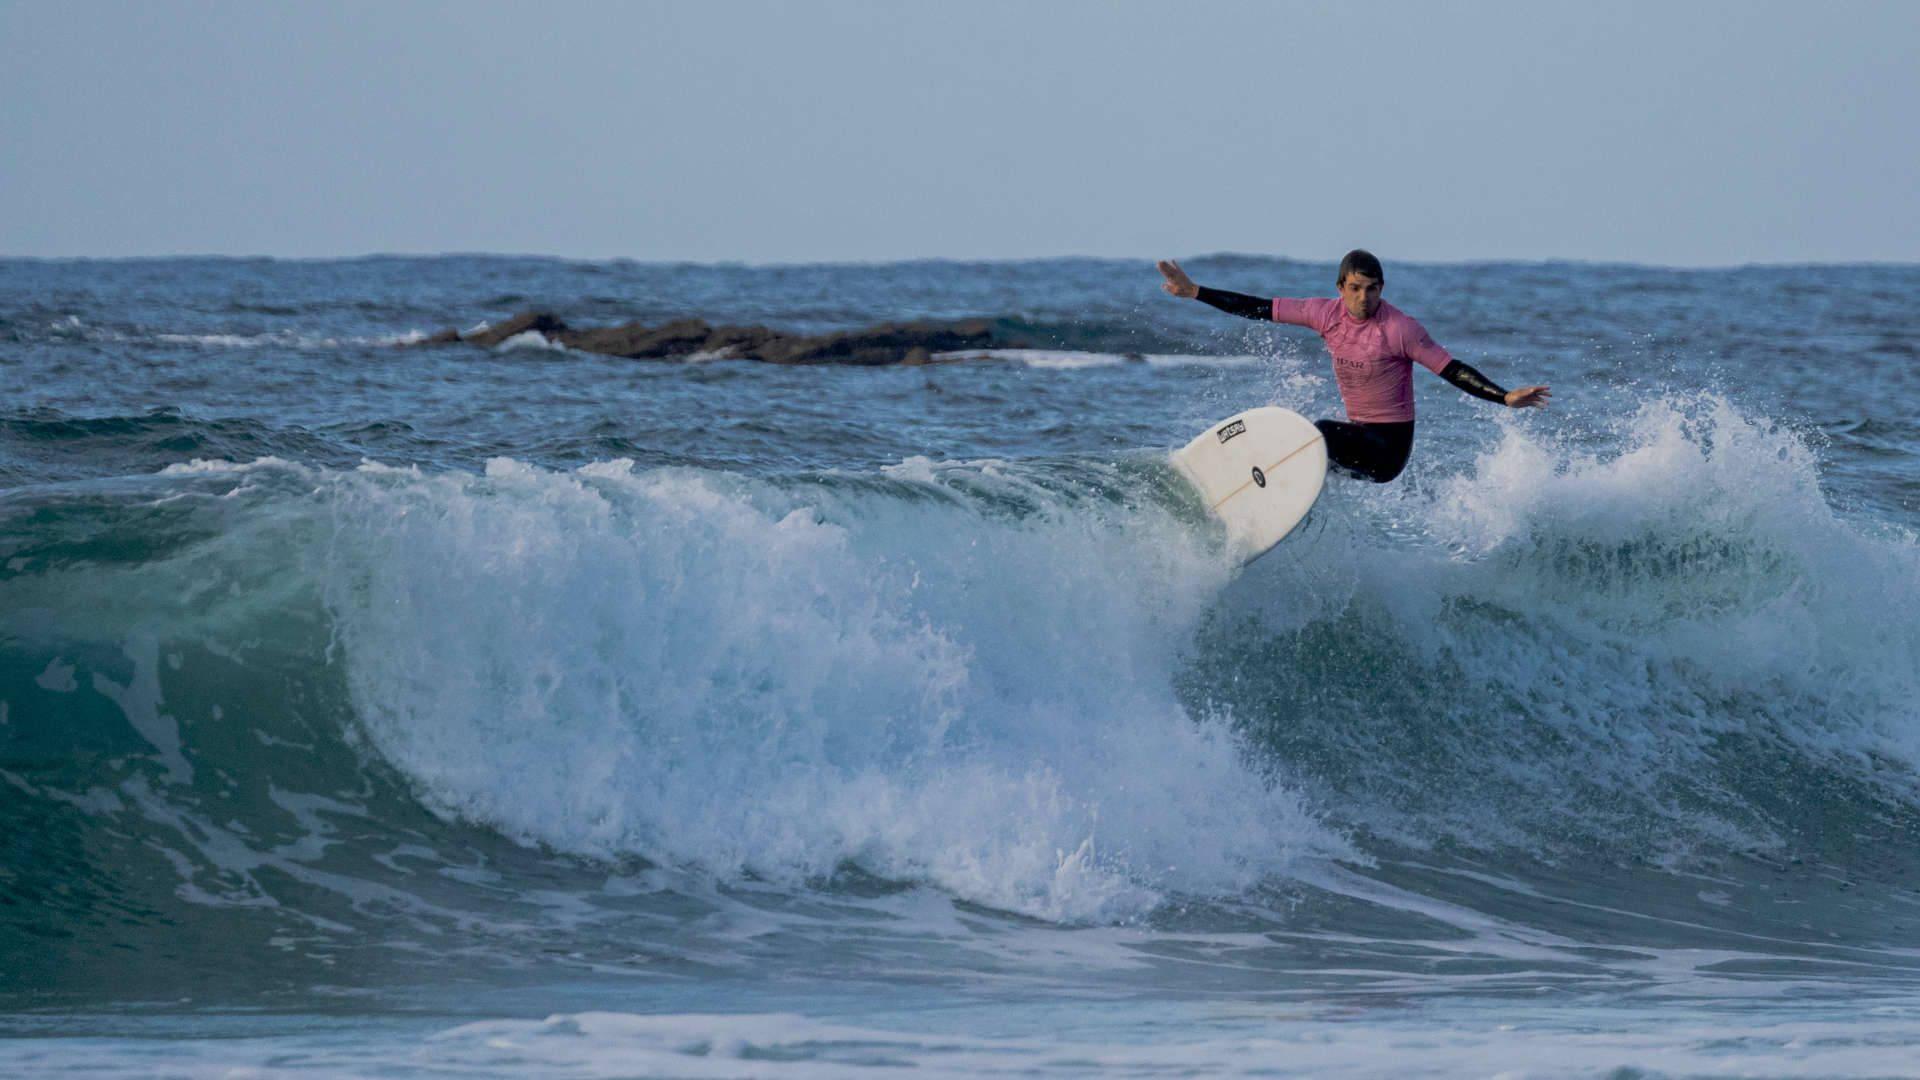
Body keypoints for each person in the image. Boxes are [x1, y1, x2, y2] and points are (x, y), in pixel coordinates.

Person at [1157, 251, 1550, 483]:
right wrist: (1195, 292)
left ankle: (1272, 483)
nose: (1365, 297)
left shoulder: (1400, 329)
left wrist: (1504, 396)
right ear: (1341, 287)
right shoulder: (1323, 314)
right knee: (1295, 428)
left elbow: (1452, 369)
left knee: (1321, 432)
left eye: (1373, 288)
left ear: (1382, 287)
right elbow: (1257, 307)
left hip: (1387, 453)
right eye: (1356, 288)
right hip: (1355, 436)